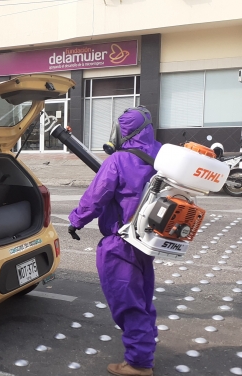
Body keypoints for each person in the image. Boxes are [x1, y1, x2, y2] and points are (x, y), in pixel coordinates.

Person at [68, 107, 162, 376]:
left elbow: (95, 198)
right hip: (146, 240)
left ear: (125, 131)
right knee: (142, 298)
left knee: (127, 303)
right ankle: (145, 349)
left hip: (120, 243)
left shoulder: (118, 161)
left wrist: (76, 220)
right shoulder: (161, 153)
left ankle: (138, 364)